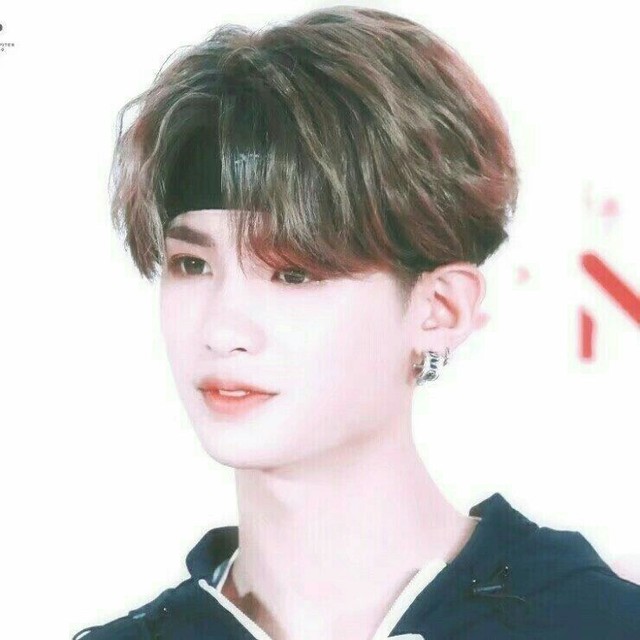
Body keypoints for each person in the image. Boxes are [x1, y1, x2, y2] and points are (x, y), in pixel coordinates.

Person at [72, 6, 640, 639]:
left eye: (293, 273)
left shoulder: (595, 622)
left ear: (440, 309)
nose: (221, 329)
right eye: (192, 264)